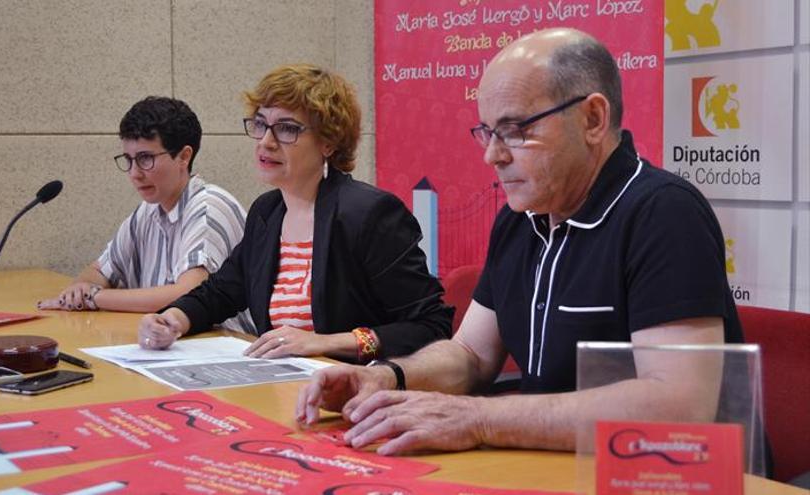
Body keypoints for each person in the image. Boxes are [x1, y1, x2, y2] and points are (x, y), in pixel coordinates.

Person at [295, 28, 743, 455]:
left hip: (656, 476)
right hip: (548, 464)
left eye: (515, 130)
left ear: (593, 118)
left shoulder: (663, 213)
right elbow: (471, 354)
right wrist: (389, 377)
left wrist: (480, 418)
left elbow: (680, 406)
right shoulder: (522, 218)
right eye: (488, 132)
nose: (493, 154)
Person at [137, 64, 452, 363]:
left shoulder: (369, 214)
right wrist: (172, 320)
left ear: (328, 142)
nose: (266, 141)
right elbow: (220, 292)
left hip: (356, 389)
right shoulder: (267, 212)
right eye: (261, 124)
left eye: (287, 129)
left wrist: (324, 342)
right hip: (283, 385)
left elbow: (429, 327)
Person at [38, 96, 253, 331]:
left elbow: (188, 295)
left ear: (184, 156)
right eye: (129, 160)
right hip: (174, 342)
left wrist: (94, 297)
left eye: (145, 159)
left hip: (224, 347)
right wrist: (80, 289)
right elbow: (98, 272)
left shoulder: (208, 208)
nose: (134, 173)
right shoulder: (148, 210)